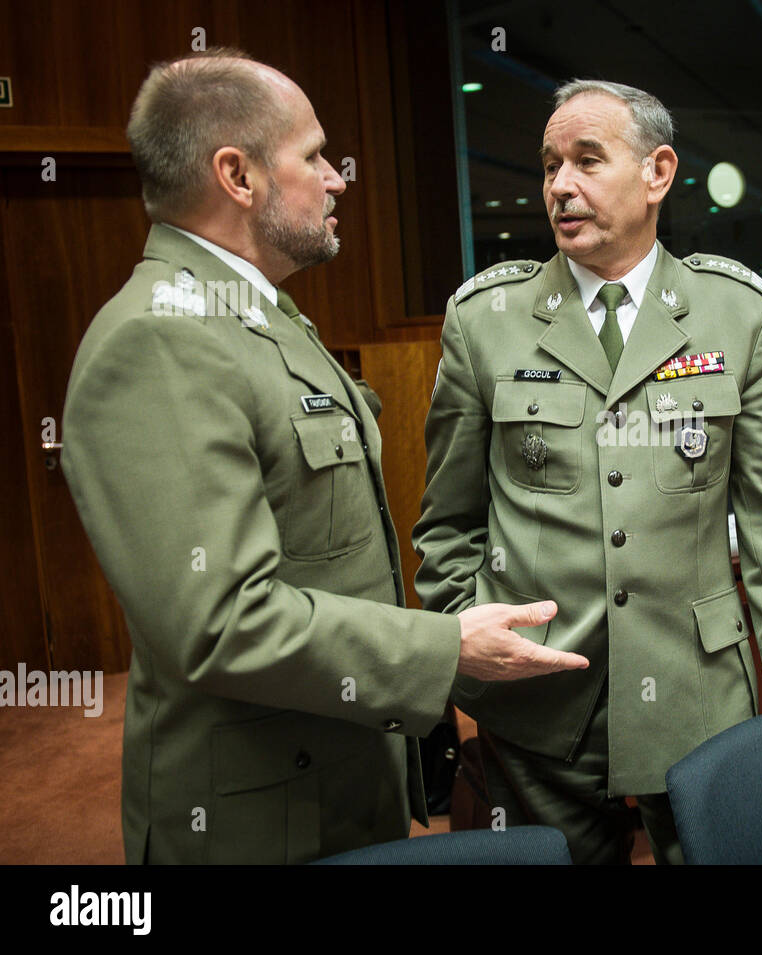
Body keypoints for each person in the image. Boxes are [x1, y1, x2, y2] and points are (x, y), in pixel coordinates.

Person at [60, 49, 585, 865]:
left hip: (335, 771)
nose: (338, 178)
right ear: (237, 174)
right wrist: (442, 648)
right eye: (312, 156)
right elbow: (220, 620)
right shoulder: (161, 338)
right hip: (254, 816)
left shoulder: (254, 314)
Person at [413, 79, 762, 865]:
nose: (560, 185)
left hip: (693, 686)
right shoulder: (484, 320)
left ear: (658, 172)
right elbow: (449, 518)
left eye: (588, 159)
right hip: (540, 698)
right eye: (551, 164)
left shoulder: (737, 311)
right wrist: (469, 654)